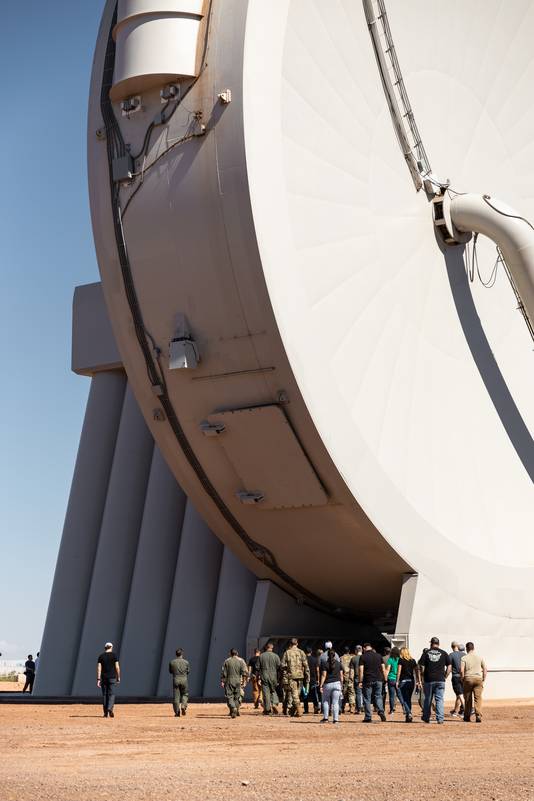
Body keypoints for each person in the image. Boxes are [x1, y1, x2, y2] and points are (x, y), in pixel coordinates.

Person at [419, 636, 451, 724]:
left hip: (429, 680)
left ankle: (426, 717)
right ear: (438, 644)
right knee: (439, 699)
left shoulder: (426, 653)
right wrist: (445, 676)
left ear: (431, 643)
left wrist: (423, 675)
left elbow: (421, 666)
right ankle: (440, 718)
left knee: (428, 699)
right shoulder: (444, 653)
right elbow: (449, 666)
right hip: (440, 679)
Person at [281, 638, 310, 718]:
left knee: (294, 694)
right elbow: (306, 666)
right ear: (297, 644)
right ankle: (293, 711)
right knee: (297, 693)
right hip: (300, 676)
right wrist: (307, 677)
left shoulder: (287, 652)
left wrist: (286, 672)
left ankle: (299, 710)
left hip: (291, 676)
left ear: (290, 644)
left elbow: (282, 665)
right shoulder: (301, 652)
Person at [358, 643, 387, 723]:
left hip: (368, 680)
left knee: (367, 698)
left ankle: (368, 717)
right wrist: (385, 679)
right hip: (378, 679)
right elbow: (383, 668)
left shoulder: (363, 657)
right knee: (378, 696)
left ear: (364, 648)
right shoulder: (379, 656)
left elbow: (361, 670)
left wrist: (360, 681)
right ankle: (381, 710)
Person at [461, 642, 487, 723]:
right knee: (478, 698)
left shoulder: (464, 658)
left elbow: (461, 670)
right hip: (478, 679)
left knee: (468, 699)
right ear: (473, 648)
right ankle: (478, 715)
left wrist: (462, 679)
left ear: (466, 648)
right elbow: (485, 669)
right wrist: (483, 678)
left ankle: (467, 716)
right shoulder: (480, 657)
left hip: (468, 679)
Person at [319, 645, 343, 723]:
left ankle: (326, 718)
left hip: (328, 684)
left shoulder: (325, 664)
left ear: (327, 655)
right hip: (337, 684)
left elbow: (323, 675)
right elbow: (341, 675)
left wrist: (321, 685)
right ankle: (336, 719)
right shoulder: (339, 664)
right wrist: (341, 684)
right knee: (335, 702)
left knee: (326, 701)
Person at [221, 648, 248, 718]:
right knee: (237, 696)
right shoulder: (241, 661)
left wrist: (222, 681)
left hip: (229, 680)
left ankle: (233, 708)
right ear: (237, 653)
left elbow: (224, 673)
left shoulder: (227, 661)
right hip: (238, 680)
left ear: (230, 654)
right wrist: (244, 681)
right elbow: (245, 672)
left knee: (229, 696)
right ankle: (235, 709)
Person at [97, 642, 120, 718]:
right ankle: (110, 708)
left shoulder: (101, 656)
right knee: (111, 694)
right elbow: (117, 667)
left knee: (105, 695)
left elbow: (99, 668)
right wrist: (118, 677)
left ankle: (105, 713)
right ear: (111, 647)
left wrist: (98, 679)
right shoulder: (114, 655)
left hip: (104, 678)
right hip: (112, 678)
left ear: (105, 648)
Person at [396, 646, 420, 722]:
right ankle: (408, 715)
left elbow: (399, 671)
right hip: (411, 681)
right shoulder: (413, 661)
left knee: (404, 699)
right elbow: (417, 671)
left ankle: (409, 713)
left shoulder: (401, 660)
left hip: (403, 681)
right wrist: (418, 681)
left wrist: (397, 681)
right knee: (408, 699)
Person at [259, 642, 281, 715]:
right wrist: (278, 678)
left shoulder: (261, 656)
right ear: (272, 648)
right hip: (273, 676)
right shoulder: (276, 656)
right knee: (273, 691)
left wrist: (258, 677)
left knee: (266, 693)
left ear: (266, 647)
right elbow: (279, 668)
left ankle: (267, 710)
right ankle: (274, 703)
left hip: (264, 676)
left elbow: (257, 667)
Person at [168, 648, 190, 717]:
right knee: (185, 694)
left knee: (176, 697)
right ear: (182, 654)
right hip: (184, 680)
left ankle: (177, 712)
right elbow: (188, 671)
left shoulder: (172, 662)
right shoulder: (186, 662)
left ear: (176, 654)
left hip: (176, 680)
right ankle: (183, 705)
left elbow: (170, 671)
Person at [385, 646, 405, 716]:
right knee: (400, 695)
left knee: (391, 695)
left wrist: (385, 678)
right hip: (398, 679)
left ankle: (392, 710)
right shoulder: (400, 659)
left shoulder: (390, 659)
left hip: (391, 678)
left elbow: (387, 670)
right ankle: (404, 708)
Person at [448, 641, 466, 717]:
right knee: (459, 694)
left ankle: (467, 709)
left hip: (456, 676)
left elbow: (449, 667)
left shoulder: (451, 655)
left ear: (452, 647)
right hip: (464, 676)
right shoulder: (464, 655)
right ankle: (455, 711)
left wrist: (446, 676)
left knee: (459, 694)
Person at [303, 647, 320, 714]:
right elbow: (317, 670)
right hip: (313, 679)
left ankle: (306, 709)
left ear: (305, 652)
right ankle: (316, 708)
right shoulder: (315, 660)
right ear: (311, 652)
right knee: (314, 695)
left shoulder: (304, 660)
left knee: (305, 695)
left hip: (305, 680)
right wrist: (318, 679)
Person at [340, 646, 355, 713]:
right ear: (349, 651)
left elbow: (340, 668)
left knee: (344, 693)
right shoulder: (353, 657)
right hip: (351, 677)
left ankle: (342, 707)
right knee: (351, 693)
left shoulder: (341, 658)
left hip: (344, 677)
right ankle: (352, 707)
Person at [349, 645, 363, 714]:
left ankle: (359, 709)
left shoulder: (353, 659)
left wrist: (351, 679)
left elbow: (351, 671)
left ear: (355, 651)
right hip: (366, 678)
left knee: (358, 694)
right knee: (366, 694)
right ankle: (365, 708)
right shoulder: (365, 657)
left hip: (357, 678)